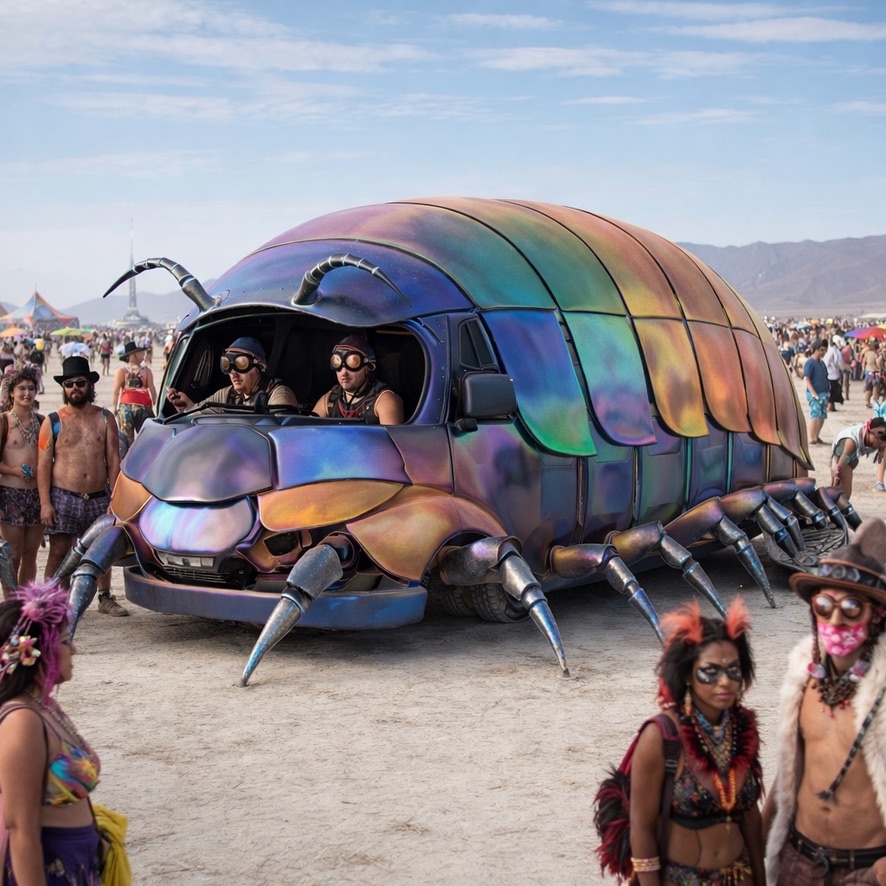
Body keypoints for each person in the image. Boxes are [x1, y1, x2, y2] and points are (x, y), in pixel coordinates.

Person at [764, 518, 886, 884]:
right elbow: (788, 770)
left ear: (876, 615)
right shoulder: (802, 677)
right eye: (823, 605)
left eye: (851, 608)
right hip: (798, 864)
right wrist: (757, 843)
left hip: (866, 871)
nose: (835, 618)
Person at [629, 598, 765, 886]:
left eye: (733, 671)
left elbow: (751, 816)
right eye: (710, 671)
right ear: (688, 675)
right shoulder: (660, 736)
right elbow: (640, 827)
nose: (725, 682)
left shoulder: (743, 729)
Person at [0, 581, 102, 883]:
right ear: (39, 651)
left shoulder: (45, 706)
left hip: (79, 860)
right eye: (65, 641)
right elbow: (21, 829)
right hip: (50, 867)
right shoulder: (23, 721)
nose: (75, 650)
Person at [36, 357, 127, 617]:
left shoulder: (106, 418)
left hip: (99, 496)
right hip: (63, 497)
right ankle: (52, 602)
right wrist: (45, 503)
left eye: (79, 382)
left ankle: (105, 597)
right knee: (59, 551)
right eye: (69, 384)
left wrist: (115, 496)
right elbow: (43, 465)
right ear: (64, 388)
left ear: (89, 385)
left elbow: (113, 460)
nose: (74, 388)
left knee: (102, 549)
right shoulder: (53, 421)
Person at [167, 337, 298, 412]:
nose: (233, 373)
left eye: (241, 364)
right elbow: (197, 413)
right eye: (227, 365)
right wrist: (185, 406)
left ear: (260, 366)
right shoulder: (227, 395)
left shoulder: (278, 394)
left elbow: (280, 434)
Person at [0, 370, 44, 591]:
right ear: (11, 393)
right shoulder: (3, 422)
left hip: (37, 496)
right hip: (10, 495)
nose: (27, 393)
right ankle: (11, 606)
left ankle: (25, 605)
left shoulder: (43, 422)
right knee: (12, 554)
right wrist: (14, 470)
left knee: (30, 554)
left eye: (31, 388)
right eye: (21, 389)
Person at [313, 335, 404, 425]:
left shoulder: (383, 400)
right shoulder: (330, 399)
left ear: (368, 367)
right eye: (337, 362)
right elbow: (309, 432)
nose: (344, 372)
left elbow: (392, 438)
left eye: (353, 362)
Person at [111, 341, 157, 455]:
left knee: (127, 439)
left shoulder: (122, 371)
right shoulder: (146, 371)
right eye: (141, 353)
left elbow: (116, 391)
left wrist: (115, 407)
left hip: (125, 407)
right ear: (133, 355)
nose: (143, 355)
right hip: (143, 406)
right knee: (146, 438)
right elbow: (152, 388)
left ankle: (129, 460)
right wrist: (154, 403)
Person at [829, 416, 886, 500]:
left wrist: (881, 453)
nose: (880, 444)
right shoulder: (850, 442)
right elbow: (841, 461)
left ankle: (835, 501)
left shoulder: (876, 439)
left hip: (852, 455)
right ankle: (839, 504)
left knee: (840, 486)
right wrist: (836, 475)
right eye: (879, 440)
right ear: (870, 432)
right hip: (841, 456)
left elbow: (882, 445)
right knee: (843, 486)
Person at [803, 339, 830, 445]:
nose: (823, 352)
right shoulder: (810, 363)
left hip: (823, 393)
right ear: (815, 350)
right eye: (821, 350)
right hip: (815, 394)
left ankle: (816, 435)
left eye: (825, 350)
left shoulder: (821, 363)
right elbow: (807, 378)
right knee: (815, 415)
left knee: (822, 416)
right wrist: (814, 393)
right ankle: (811, 437)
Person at [824, 336, 847, 412]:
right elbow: (839, 363)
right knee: (832, 391)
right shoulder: (834, 351)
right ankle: (830, 406)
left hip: (832, 373)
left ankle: (831, 406)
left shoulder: (832, 351)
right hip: (832, 373)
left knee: (832, 391)